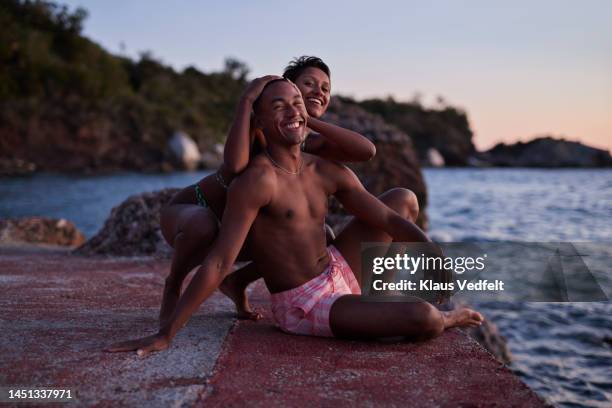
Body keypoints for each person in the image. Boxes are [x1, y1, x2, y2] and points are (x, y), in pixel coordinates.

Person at [107, 79, 483, 356]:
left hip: (338, 270)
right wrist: (168, 333)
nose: (293, 111)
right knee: (427, 319)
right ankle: (440, 317)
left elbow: (388, 218)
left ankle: (374, 300)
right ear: (261, 125)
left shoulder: (325, 170)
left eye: (297, 103)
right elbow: (219, 260)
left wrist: (434, 255)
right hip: (306, 302)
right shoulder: (256, 181)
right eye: (278, 107)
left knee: (402, 199)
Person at [158, 57, 376, 325]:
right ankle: (173, 286)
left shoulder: (305, 145)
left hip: (237, 227)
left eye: (326, 88)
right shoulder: (260, 129)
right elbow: (236, 164)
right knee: (203, 225)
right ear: (286, 87)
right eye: (308, 84)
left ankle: (237, 282)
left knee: (318, 235)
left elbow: (365, 151)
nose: (319, 92)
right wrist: (247, 100)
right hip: (194, 211)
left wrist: (308, 122)